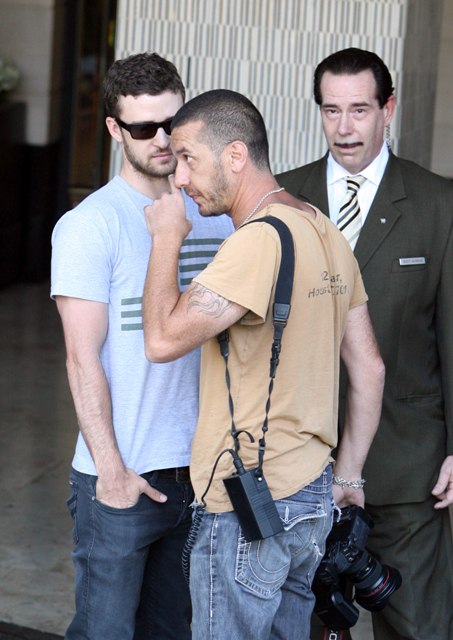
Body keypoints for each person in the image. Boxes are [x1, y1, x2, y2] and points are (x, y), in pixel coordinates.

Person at [140, 88, 385, 640]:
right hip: (312, 497)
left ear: (234, 155)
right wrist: (348, 476)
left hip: (246, 507)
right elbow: (370, 368)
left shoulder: (256, 243)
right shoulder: (324, 229)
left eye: (187, 158)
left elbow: (161, 340)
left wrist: (166, 238)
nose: (180, 178)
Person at [50, 52, 233, 640]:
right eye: (143, 127)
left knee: (173, 632)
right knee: (104, 632)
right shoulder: (90, 224)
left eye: (172, 124)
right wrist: (112, 473)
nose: (161, 139)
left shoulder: (217, 216)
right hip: (123, 477)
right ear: (113, 129)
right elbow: (81, 359)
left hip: (202, 475)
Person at [277, 47, 453, 640]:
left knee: (420, 628)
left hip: (406, 468)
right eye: (331, 111)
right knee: (306, 629)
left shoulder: (438, 203)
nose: (345, 127)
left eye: (359, 109)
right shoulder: (285, 197)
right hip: (301, 465)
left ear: (388, 109)